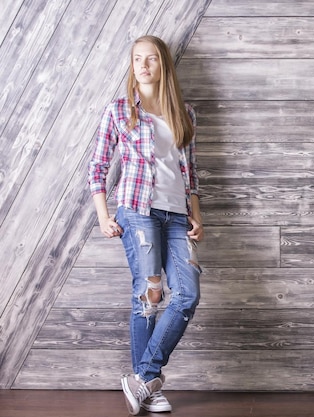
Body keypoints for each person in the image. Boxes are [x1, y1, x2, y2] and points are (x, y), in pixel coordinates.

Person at [87, 35, 203, 415]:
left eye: (151, 58)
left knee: (187, 294)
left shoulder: (184, 113)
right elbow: (98, 167)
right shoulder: (120, 110)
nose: (143, 65)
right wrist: (104, 215)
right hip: (136, 212)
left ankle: (143, 379)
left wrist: (196, 212)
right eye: (137, 58)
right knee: (150, 296)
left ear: (163, 65)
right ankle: (149, 387)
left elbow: (191, 172)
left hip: (176, 216)